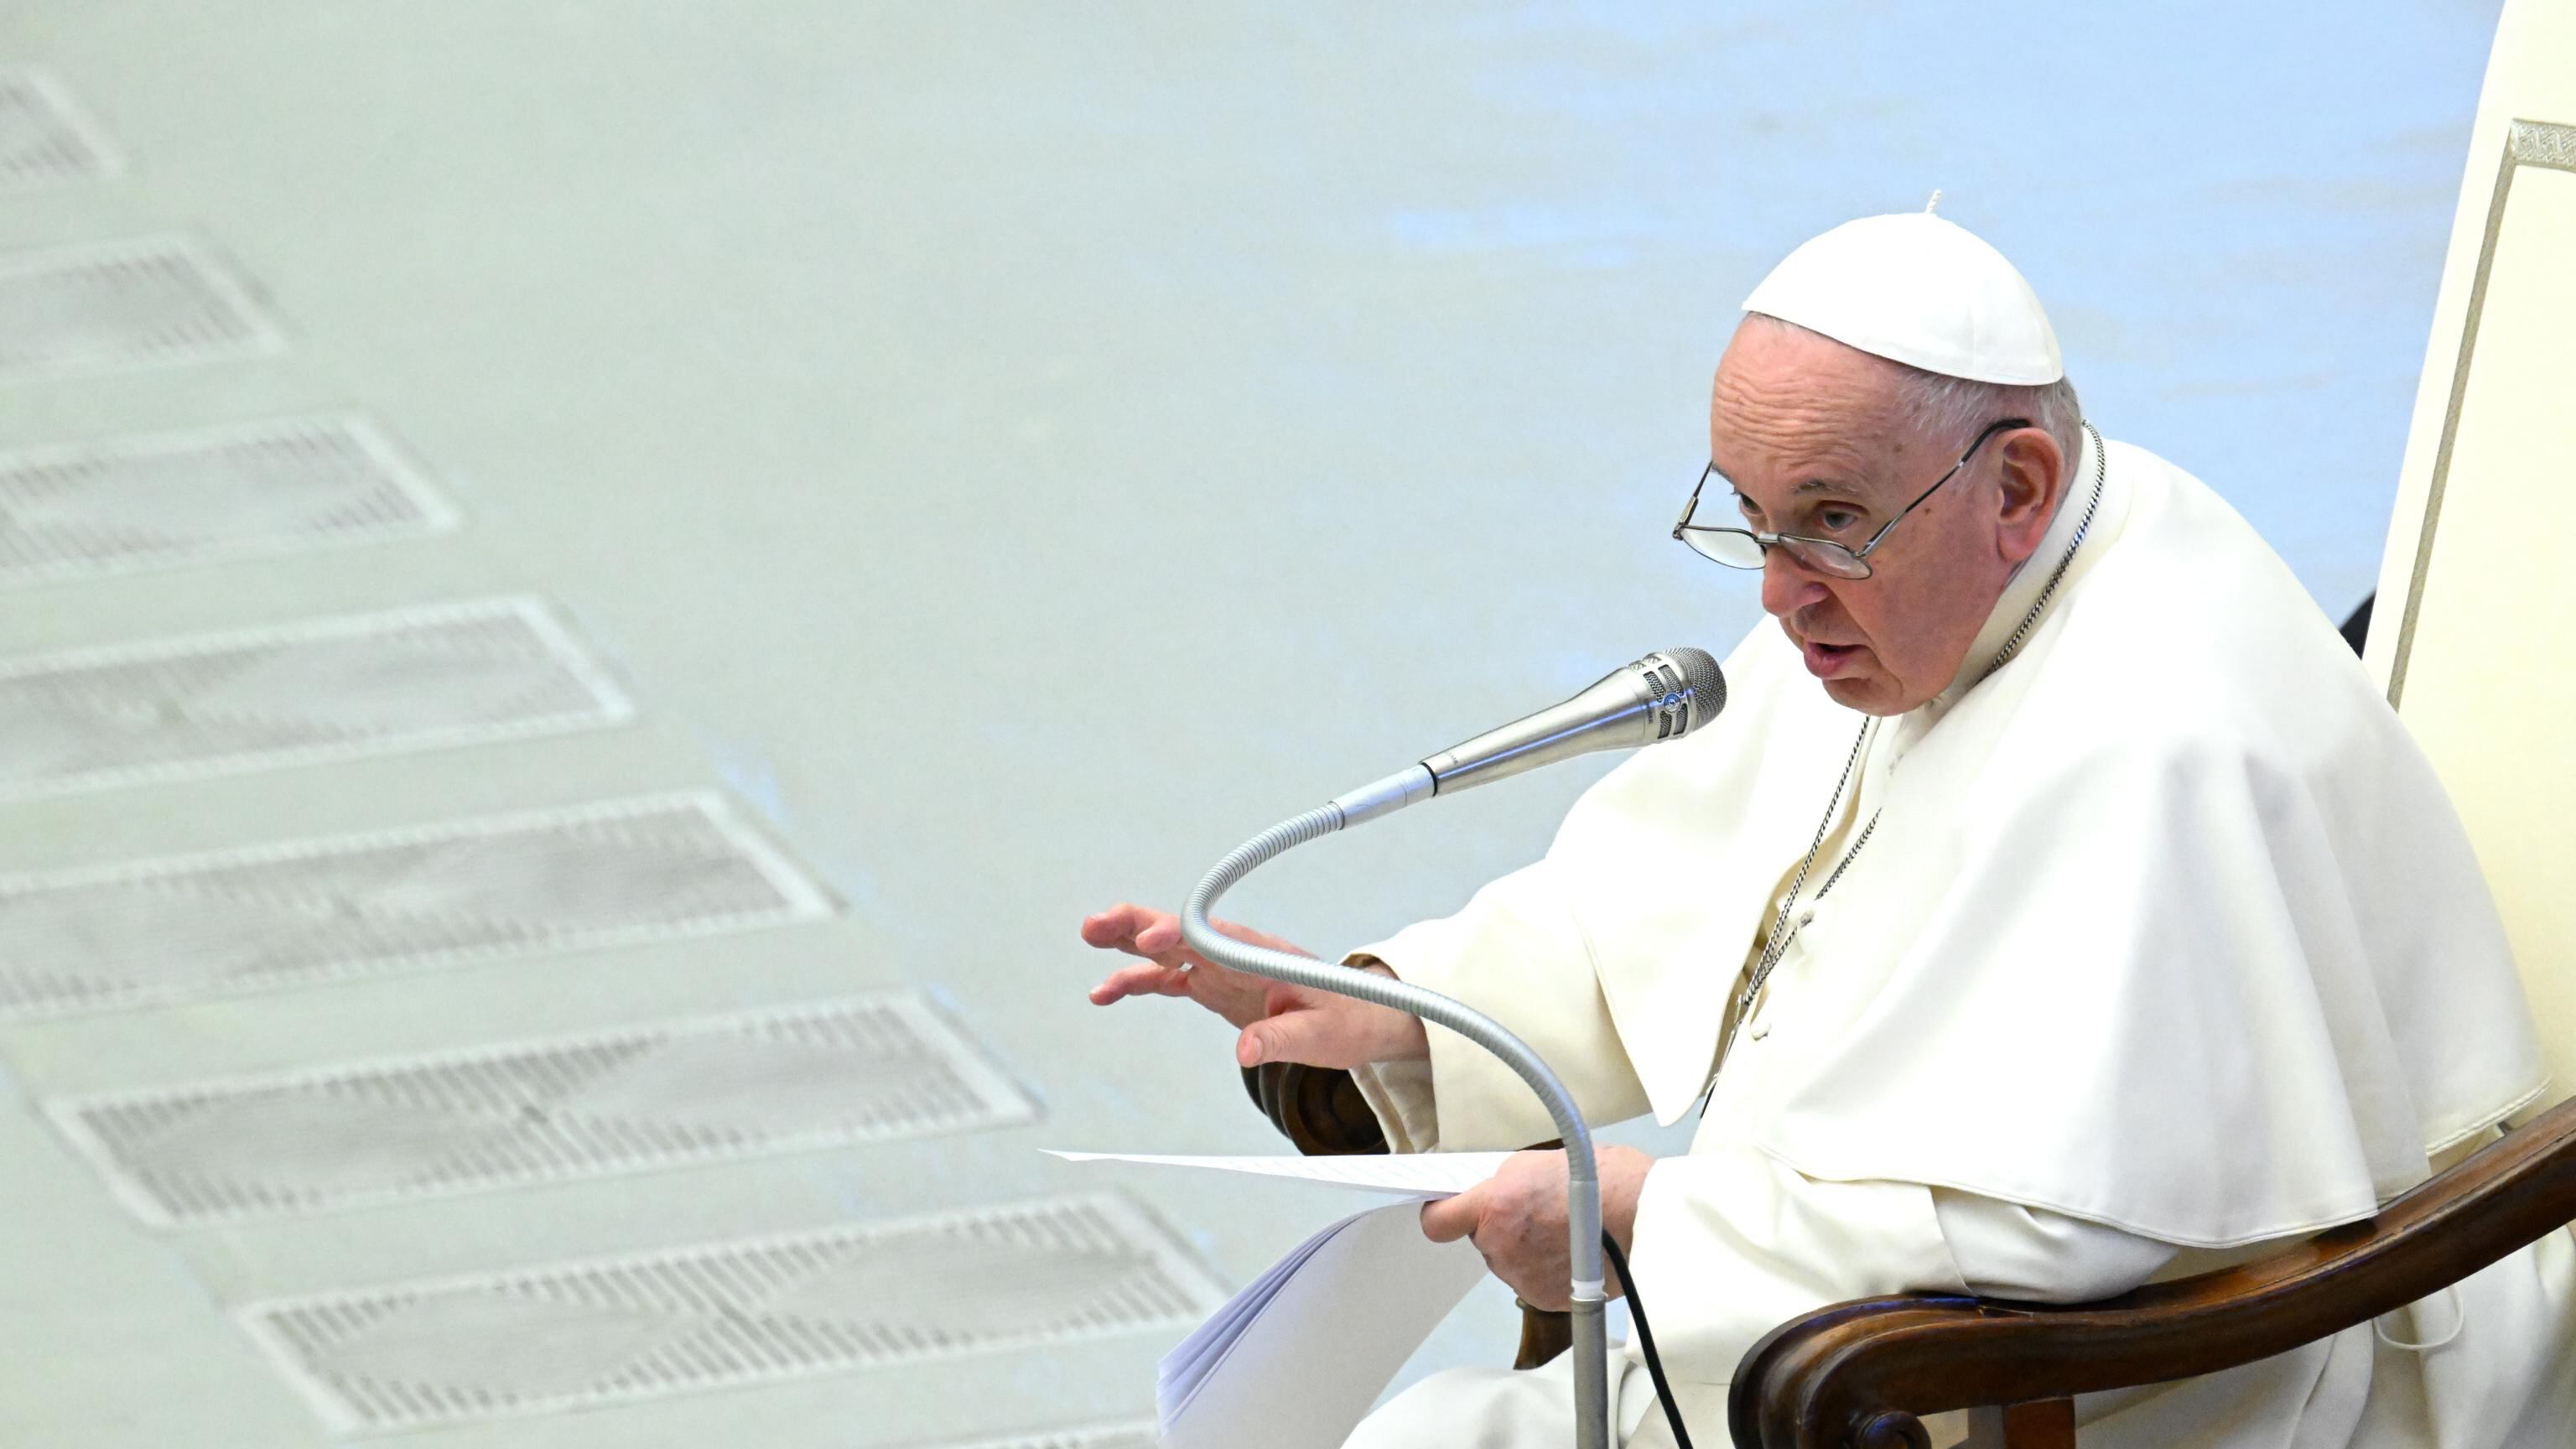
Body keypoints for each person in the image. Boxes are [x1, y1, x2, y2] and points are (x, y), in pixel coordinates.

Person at [1082, 209, 2576, 1447]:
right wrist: (1389, 1018)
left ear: (2020, 485)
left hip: (2153, 1392)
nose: (1777, 592)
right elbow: (1655, 909)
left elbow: (2077, 1240)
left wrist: (1650, 1227)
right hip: (1863, 1331)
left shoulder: (2164, 733)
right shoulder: (1917, 597)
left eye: (1829, 520)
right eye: (1751, 516)